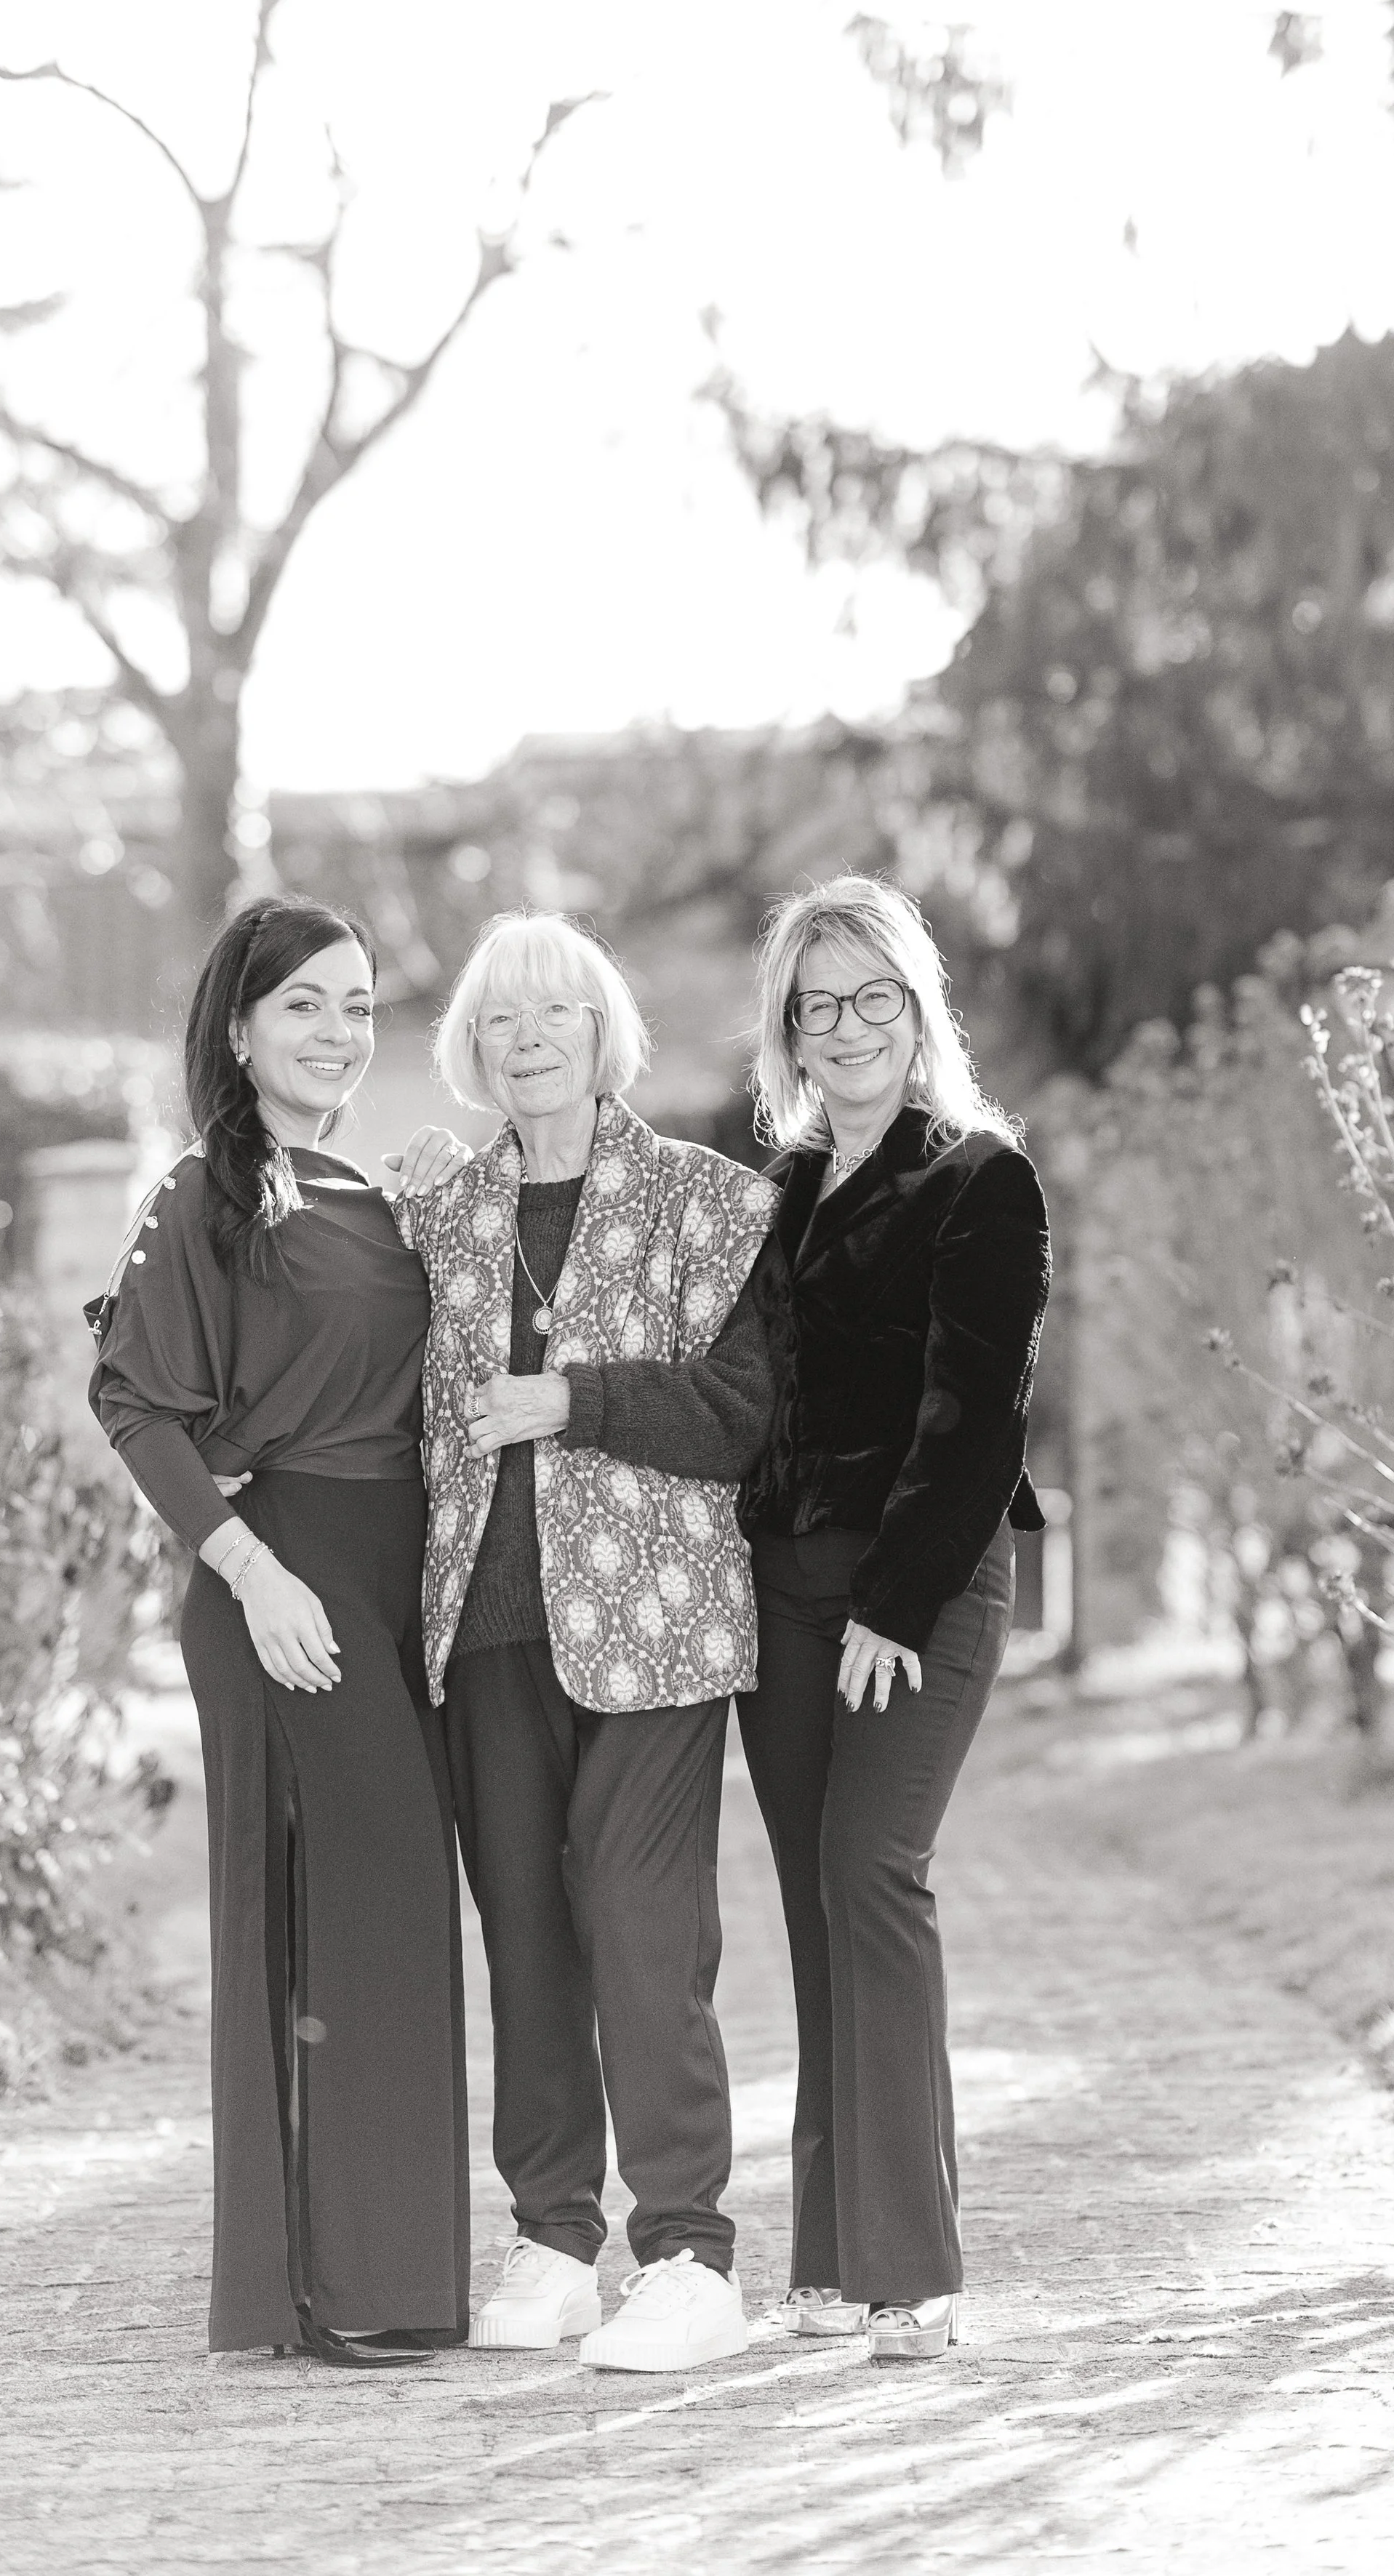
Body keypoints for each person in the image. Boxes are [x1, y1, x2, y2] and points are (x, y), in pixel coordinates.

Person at [396, 910, 784, 2375]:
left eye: (555, 1012)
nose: (529, 1038)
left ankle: (686, 2253)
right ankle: (553, 2237)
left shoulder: (706, 1200)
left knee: (638, 1930)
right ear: (472, 1052)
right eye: (499, 1021)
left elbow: (741, 1415)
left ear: (602, 1030)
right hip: (486, 1632)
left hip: (658, 1632)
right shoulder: (434, 1217)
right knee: (530, 1949)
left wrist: (576, 1401)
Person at [89, 896, 470, 2370]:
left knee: (390, 1904)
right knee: (330, 1905)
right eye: (304, 1003)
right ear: (238, 1029)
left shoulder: (377, 1193)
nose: (336, 1032)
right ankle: (315, 2284)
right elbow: (133, 1400)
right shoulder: (202, 1194)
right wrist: (251, 1571)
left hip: (386, 1578)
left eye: (360, 1006)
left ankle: (390, 2276)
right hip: (282, 1582)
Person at [734, 874, 1051, 2363]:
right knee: (809, 1908)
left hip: (918, 1586)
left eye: (873, 997)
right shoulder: (775, 1189)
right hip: (780, 1589)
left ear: (913, 1010)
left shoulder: (978, 1178)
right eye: (819, 1003)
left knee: (873, 1875)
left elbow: (972, 1414)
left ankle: (913, 2271)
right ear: (788, 1031)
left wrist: (892, 1602)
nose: (847, 1027)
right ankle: (821, 2255)